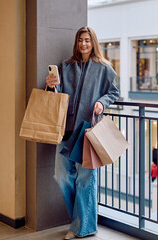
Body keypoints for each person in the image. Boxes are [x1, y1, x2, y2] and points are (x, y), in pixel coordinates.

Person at [45, 27, 119, 240]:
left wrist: (101, 103)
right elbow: (57, 95)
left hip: (87, 130)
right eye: (80, 41)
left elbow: (114, 92)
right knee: (61, 176)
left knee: (86, 179)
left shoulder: (104, 68)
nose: (83, 44)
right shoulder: (66, 67)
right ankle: (80, 220)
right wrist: (51, 86)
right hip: (66, 129)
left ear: (93, 42)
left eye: (87, 40)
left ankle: (81, 227)